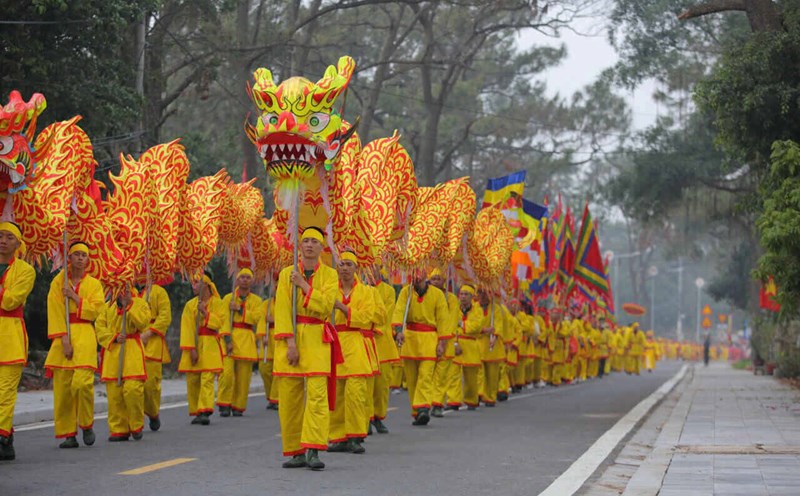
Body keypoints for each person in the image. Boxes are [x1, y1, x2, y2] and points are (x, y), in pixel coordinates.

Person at [273, 227, 339, 471]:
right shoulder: (286, 273)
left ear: (322, 247)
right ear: (299, 246)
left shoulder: (330, 275)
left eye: (314, 241)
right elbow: (282, 309)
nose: (309, 245)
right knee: (289, 400)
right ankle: (296, 451)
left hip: (317, 339)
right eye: (306, 241)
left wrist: (304, 286)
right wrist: (290, 343)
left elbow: (325, 307)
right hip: (291, 341)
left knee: (317, 398)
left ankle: (313, 449)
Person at [44, 241, 105, 449]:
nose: (80, 258)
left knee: (82, 384)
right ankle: (69, 434)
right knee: (63, 388)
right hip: (64, 337)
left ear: (88, 260)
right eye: (76, 254)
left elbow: (96, 311)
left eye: (83, 255)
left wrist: (75, 298)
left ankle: (86, 424)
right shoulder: (59, 282)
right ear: (68, 258)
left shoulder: (94, 284)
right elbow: (54, 309)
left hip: (85, 334)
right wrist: (63, 339)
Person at [329, 251, 378, 454]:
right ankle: (338, 436)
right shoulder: (330, 289)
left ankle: (356, 436)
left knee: (356, 393)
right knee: (337, 394)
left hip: (356, 343)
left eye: (349, 264)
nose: (345, 268)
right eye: (341, 264)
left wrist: (342, 308)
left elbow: (368, 317)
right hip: (335, 341)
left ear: (356, 267)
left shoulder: (366, 292)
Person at [392, 271, 449, 425]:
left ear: (425, 274)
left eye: (419, 272)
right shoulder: (406, 292)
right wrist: (398, 331)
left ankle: (423, 407)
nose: (416, 275)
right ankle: (417, 411)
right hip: (409, 339)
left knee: (425, 376)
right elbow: (399, 311)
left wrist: (442, 342)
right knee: (412, 379)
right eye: (413, 272)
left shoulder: (437, 294)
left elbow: (443, 319)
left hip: (429, 339)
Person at [95, 285, 151, 441]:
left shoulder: (140, 303)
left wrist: (129, 306)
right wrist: (113, 337)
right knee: (115, 394)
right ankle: (119, 428)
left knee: (133, 389)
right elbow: (99, 328)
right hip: (113, 352)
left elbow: (143, 323)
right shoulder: (107, 307)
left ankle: (136, 424)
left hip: (132, 349)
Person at [0, 222, 35, 461]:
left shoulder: (25, 270)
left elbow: (10, 302)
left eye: (9, 237)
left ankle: (2, 436)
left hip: (11, 335)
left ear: (18, 244)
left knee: (5, 393)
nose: (3, 240)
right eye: (0, 236)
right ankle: (7, 437)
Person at [178, 270, 225, 425]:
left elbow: (220, 324)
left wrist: (205, 313)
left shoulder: (218, 303)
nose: (193, 285)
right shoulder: (189, 306)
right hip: (195, 344)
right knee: (193, 379)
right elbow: (186, 328)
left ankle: (205, 410)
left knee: (207, 378)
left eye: (197, 282)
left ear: (206, 284)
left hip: (210, 344)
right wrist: (191, 348)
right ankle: (197, 410)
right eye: (192, 282)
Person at [218, 268, 263, 417]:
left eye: (247, 277)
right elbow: (223, 319)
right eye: (242, 277)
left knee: (244, 377)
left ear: (251, 281)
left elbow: (256, 318)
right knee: (227, 374)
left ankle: (238, 405)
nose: (244, 280)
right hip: (231, 337)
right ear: (237, 280)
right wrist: (227, 339)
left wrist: (239, 310)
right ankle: (224, 403)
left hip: (247, 339)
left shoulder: (256, 301)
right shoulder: (227, 299)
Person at [138, 282, 172, 432]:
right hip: (133, 340)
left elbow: (165, 316)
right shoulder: (129, 291)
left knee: (150, 385)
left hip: (153, 342)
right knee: (132, 386)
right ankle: (134, 423)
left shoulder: (159, 292)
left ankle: (152, 412)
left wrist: (150, 332)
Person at [371, 267, 399, 433]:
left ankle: (378, 416)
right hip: (364, 341)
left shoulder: (388, 291)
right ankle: (365, 418)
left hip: (382, 343)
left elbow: (385, 314)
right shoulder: (360, 287)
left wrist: (369, 323)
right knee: (365, 385)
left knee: (381, 386)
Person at [429, 268, 459, 416]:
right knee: (428, 374)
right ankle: (426, 403)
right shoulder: (426, 296)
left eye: (438, 279)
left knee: (441, 376)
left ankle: (437, 404)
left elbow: (452, 321)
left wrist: (444, 341)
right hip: (428, 340)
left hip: (445, 341)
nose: (435, 282)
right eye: (433, 279)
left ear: (444, 281)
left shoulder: (451, 299)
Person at [453, 284, 483, 410]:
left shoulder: (477, 310)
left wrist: (462, 324)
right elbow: (450, 325)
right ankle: (453, 401)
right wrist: (454, 343)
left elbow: (476, 326)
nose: (463, 297)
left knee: (471, 378)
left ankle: (471, 400)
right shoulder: (454, 309)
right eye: (461, 294)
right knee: (453, 375)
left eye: (466, 294)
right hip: (456, 344)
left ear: (472, 297)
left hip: (471, 346)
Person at [476, 288, 507, 406]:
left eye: (485, 293)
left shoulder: (496, 309)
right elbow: (474, 324)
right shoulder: (475, 308)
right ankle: (479, 393)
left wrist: (495, 336)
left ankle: (490, 397)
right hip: (478, 344)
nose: (483, 296)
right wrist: (483, 330)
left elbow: (498, 326)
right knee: (479, 372)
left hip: (492, 346)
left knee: (492, 375)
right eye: (480, 293)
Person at [256, 282, 279, 410]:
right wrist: (262, 335)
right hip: (268, 340)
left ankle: (276, 398)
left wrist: (275, 320)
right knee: (264, 369)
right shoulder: (266, 304)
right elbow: (261, 320)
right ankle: (271, 396)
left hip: (282, 338)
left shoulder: (288, 302)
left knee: (278, 371)